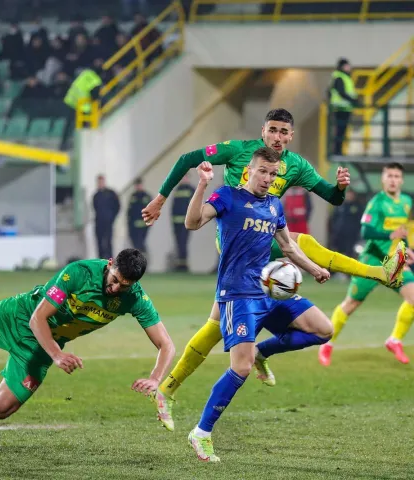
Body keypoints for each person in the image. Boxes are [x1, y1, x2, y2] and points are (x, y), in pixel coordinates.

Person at [142, 108, 405, 431]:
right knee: (303, 244)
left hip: (264, 241)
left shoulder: (295, 165)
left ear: (291, 136)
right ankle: (379, 272)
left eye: (284, 132)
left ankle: (169, 388)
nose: (278, 138)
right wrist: (160, 199)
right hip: (235, 243)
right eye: (273, 130)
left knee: (214, 327)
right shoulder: (238, 151)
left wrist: (339, 188)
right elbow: (186, 159)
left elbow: (331, 198)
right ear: (263, 131)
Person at [185, 148, 331, 461]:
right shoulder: (227, 197)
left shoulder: (274, 206)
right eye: (263, 171)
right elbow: (192, 222)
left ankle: (264, 351)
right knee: (240, 366)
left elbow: (287, 246)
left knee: (323, 329)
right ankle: (202, 432)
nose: (268, 178)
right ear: (249, 171)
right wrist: (202, 185)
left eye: (273, 174)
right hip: (237, 295)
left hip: (268, 289)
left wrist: (314, 268)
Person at [0, 249, 175, 420]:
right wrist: (58, 355)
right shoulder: (79, 273)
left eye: (124, 286)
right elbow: (37, 318)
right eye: (114, 281)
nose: (115, 289)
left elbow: (167, 345)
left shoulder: (135, 299)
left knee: (0, 410)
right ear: (110, 264)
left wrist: (155, 378)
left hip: (39, 348)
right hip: (16, 315)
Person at [319, 163, 412, 366]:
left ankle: (394, 340)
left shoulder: (405, 201)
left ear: (402, 180)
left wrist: (407, 249)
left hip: (395, 260)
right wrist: (389, 235)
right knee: (352, 303)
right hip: (373, 259)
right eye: (390, 176)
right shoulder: (377, 203)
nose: (393, 179)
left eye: (397, 176)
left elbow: (403, 232)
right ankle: (327, 343)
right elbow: (365, 232)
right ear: (383, 179)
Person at [329, 58, 358, 156]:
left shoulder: (343, 77)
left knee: (341, 130)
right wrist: (353, 101)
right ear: (342, 66)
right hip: (341, 108)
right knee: (340, 130)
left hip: (344, 108)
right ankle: (338, 151)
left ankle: (338, 151)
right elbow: (341, 92)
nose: (349, 67)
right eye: (347, 65)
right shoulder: (340, 77)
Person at [92, 175, 120, 259]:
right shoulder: (96, 195)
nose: (100, 184)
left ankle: (109, 261)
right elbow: (95, 207)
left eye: (101, 182)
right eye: (99, 182)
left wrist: (112, 218)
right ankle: (100, 261)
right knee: (99, 243)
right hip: (98, 223)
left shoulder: (111, 194)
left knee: (108, 242)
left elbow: (117, 206)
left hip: (108, 222)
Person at [171, 175, 195, 272]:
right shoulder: (177, 189)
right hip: (176, 222)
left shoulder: (191, 189)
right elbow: (174, 206)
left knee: (183, 242)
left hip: (186, 222)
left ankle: (183, 265)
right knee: (178, 243)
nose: (183, 179)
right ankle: (179, 264)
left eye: (185, 177)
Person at [127, 178, 152, 256]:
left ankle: (142, 259)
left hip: (143, 225)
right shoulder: (133, 196)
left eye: (139, 185)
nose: (138, 187)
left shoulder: (146, 196)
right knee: (135, 244)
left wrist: (148, 223)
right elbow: (129, 211)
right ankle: (139, 259)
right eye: (137, 185)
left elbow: (150, 211)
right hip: (134, 225)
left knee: (140, 243)